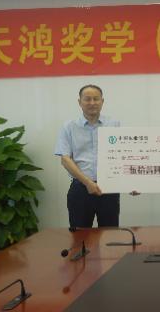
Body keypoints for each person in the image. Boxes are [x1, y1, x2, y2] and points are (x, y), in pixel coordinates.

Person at [54, 84, 121, 228]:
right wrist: (87, 183)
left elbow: (123, 156)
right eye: (87, 99)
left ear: (102, 101)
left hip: (108, 189)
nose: (92, 103)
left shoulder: (114, 124)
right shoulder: (69, 126)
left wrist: (131, 182)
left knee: (110, 235)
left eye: (96, 99)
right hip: (80, 190)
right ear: (80, 102)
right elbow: (65, 159)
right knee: (80, 236)